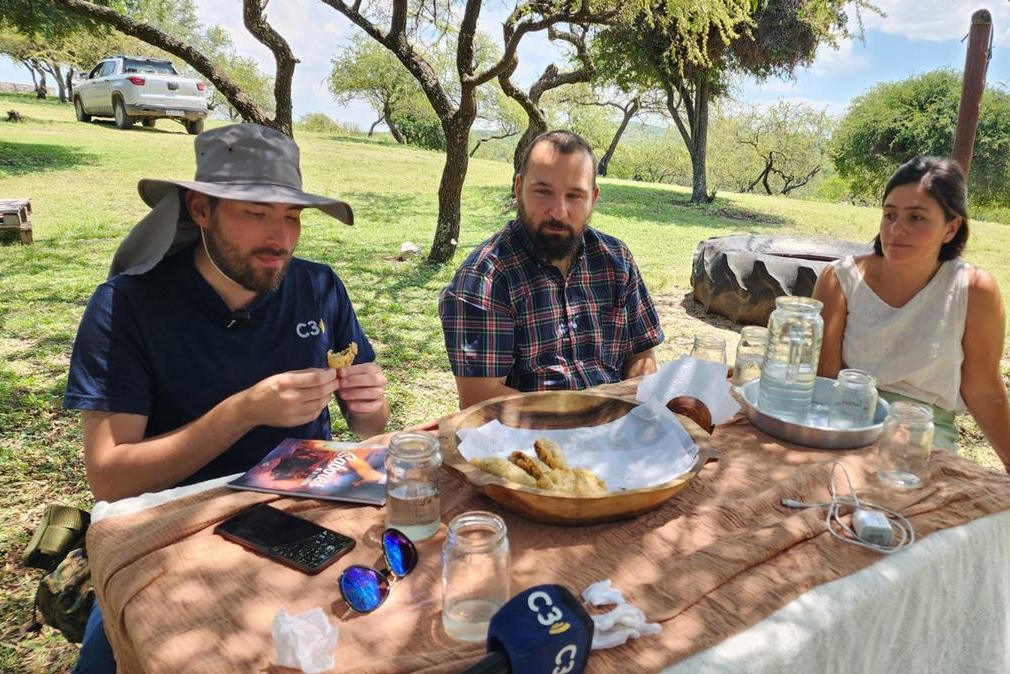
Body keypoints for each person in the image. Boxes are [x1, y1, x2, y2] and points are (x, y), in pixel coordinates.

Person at [64, 123, 390, 672]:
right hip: (176, 522)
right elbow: (111, 477)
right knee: (120, 654)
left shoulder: (318, 288)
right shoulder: (127, 307)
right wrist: (243, 412)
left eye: (292, 216)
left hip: (311, 510)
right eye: (256, 213)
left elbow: (368, 428)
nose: (280, 238)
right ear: (200, 209)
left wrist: (368, 403)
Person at [813, 155, 1010, 492]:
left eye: (916, 217)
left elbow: (982, 387)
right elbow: (824, 375)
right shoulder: (840, 278)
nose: (896, 229)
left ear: (951, 227)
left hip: (922, 434)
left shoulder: (972, 290)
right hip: (847, 419)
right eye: (890, 215)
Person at [438, 130, 664, 408]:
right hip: (532, 438)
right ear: (519, 187)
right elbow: (480, 398)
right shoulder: (484, 278)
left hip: (618, 426)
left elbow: (641, 355)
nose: (558, 211)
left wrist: (632, 406)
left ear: (593, 197)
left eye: (574, 196)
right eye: (543, 192)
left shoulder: (616, 258)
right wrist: (589, 412)